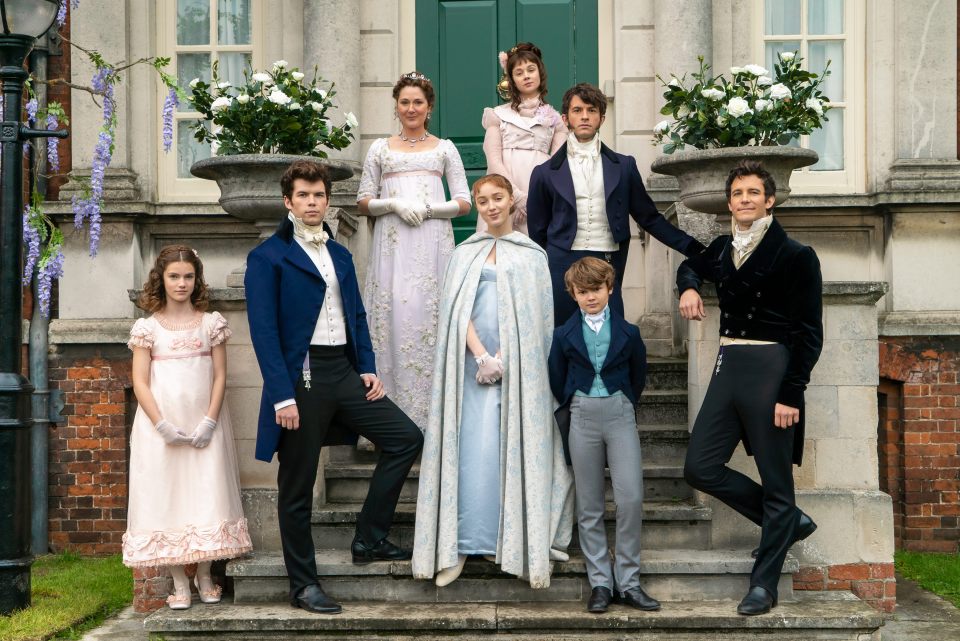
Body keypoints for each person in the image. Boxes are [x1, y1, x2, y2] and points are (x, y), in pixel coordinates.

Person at [245, 160, 423, 615]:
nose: (311, 202)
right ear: (288, 201)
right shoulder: (266, 258)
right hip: (300, 380)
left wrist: (366, 366)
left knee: (405, 438)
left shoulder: (340, 254)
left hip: (342, 371)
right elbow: (264, 333)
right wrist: (282, 395)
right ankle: (303, 585)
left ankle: (368, 537)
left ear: (328, 200)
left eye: (318, 195)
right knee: (298, 484)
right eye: (303, 195)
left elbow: (356, 316)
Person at [413, 174, 574, 589]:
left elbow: (539, 322)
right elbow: (454, 312)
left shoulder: (531, 255)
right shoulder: (464, 253)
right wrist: (482, 356)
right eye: (482, 200)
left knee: (511, 450)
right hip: (469, 370)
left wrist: (506, 359)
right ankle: (460, 545)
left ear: (511, 200)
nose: (490, 206)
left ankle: (512, 543)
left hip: (519, 371)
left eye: (497, 198)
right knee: (474, 453)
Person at [677, 160, 822, 616]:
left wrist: (790, 394)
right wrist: (689, 287)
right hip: (728, 364)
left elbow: (809, 334)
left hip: (771, 369)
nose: (744, 200)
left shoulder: (796, 254)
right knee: (700, 466)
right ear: (729, 201)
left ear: (770, 200)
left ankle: (765, 584)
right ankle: (788, 523)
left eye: (753, 193)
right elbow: (689, 265)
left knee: (778, 484)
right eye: (737, 193)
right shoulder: (722, 247)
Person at [124, 245, 252, 610]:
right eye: (174, 276)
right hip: (161, 428)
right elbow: (141, 381)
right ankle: (179, 580)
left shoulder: (210, 322)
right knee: (168, 497)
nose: (181, 283)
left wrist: (210, 420)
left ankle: (206, 573)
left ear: (197, 280)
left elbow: (220, 375)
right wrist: (161, 425)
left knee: (207, 493)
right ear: (161, 279)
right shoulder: (147, 328)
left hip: (204, 425)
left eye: (188, 276)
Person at [527, 82, 705, 325]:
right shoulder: (544, 173)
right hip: (561, 262)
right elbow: (537, 232)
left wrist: (695, 249)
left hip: (607, 258)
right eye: (578, 111)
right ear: (565, 118)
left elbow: (648, 217)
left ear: (602, 117)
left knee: (612, 334)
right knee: (563, 335)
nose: (585, 117)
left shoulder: (624, 166)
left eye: (591, 110)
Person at [357, 71, 471, 430]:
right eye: (404, 102)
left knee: (429, 315)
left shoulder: (444, 148)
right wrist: (391, 203)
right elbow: (363, 202)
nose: (410, 108)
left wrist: (429, 210)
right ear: (396, 105)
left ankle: (434, 420)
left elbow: (465, 202)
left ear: (429, 106)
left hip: (432, 243)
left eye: (417, 102)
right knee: (392, 317)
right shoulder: (379, 149)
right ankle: (388, 419)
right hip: (392, 247)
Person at [547, 257, 660, 614]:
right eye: (583, 292)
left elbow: (638, 374)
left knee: (630, 498)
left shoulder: (629, 333)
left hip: (619, 413)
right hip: (582, 414)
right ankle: (600, 582)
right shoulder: (563, 334)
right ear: (573, 295)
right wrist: (576, 399)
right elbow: (556, 376)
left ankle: (628, 581)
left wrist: (624, 400)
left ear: (609, 288)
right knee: (590, 503)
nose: (590, 297)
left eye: (596, 289)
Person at [479, 42, 566, 235]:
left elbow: (556, 165)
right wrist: (516, 197)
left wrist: (534, 199)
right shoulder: (497, 115)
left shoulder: (556, 121)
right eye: (519, 73)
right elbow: (493, 161)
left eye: (531, 70)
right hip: (503, 189)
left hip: (539, 190)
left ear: (540, 73)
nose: (526, 76)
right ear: (512, 80)